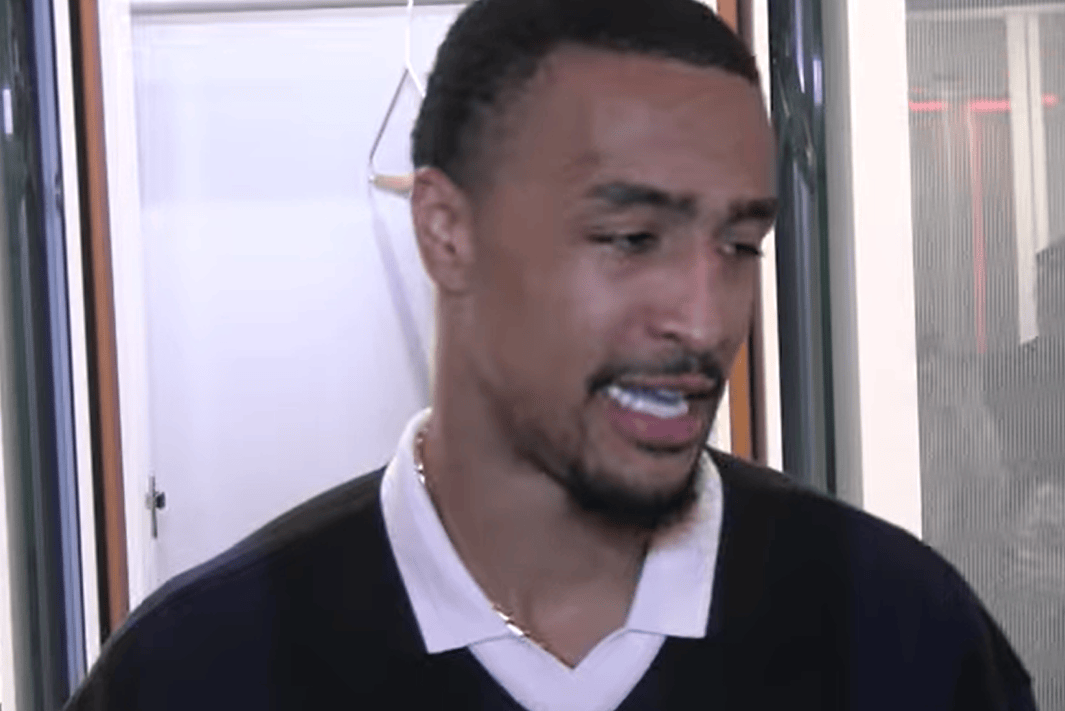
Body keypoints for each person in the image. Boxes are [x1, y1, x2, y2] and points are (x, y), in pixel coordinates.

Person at [66, 0, 1037, 708]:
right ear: (447, 232)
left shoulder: (901, 635)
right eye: (630, 238)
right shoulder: (199, 672)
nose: (704, 320)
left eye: (738, 245)